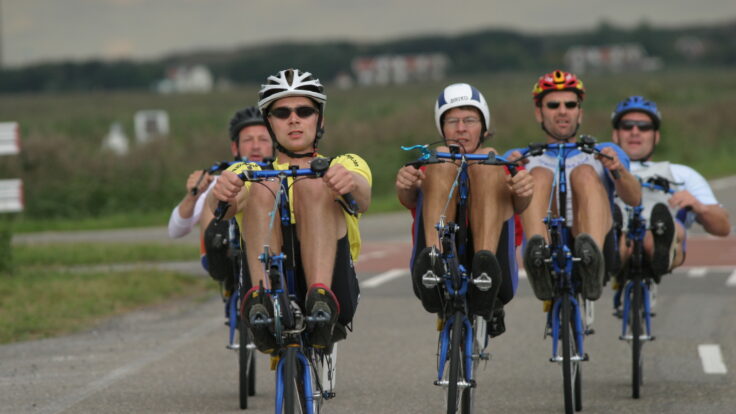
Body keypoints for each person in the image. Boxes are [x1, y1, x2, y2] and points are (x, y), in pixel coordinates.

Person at [212, 68, 372, 353]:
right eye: (282, 113)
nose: (294, 119)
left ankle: (320, 298)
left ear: (320, 119)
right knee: (264, 184)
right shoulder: (251, 170)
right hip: (267, 285)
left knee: (313, 182)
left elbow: (363, 196)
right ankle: (262, 299)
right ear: (269, 123)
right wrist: (223, 192)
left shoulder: (343, 163)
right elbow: (224, 208)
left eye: (304, 111)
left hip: (336, 286)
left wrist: (347, 183)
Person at [395, 82, 534, 336]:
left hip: (497, 267)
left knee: (489, 159)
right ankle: (434, 262)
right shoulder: (429, 166)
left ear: (483, 127)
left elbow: (521, 206)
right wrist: (404, 185)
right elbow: (410, 199)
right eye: (452, 121)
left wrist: (524, 191)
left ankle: (484, 268)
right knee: (441, 157)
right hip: (435, 265)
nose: (461, 128)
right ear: (442, 128)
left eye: (469, 120)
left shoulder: (504, 167)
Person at [506, 70, 641, 303]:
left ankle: (591, 260)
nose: (562, 111)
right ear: (539, 113)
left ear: (580, 113)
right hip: (546, 242)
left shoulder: (605, 152)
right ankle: (539, 259)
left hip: (596, 241)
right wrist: (509, 174)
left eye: (570, 105)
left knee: (584, 172)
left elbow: (634, 199)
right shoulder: (520, 157)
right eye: (553, 105)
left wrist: (616, 168)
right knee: (538, 175)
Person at [610, 95, 730, 282]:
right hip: (620, 231)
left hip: (660, 231)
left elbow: (723, 227)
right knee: (616, 233)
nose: (635, 132)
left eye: (644, 127)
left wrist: (699, 207)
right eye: (627, 126)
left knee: (664, 229)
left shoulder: (682, 174)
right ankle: (614, 247)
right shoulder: (599, 169)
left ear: (656, 136)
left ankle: (660, 246)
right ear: (615, 134)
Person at [168, 106, 272, 286]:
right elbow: (175, 231)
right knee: (216, 192)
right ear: (235, 147)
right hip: (226, 258)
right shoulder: (218, 181)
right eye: (248, 140)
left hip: (274, 250)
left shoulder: (286, 178)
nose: (256, 146)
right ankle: (222, 246)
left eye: (263, 139)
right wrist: (194, 195)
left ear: (274, 145)